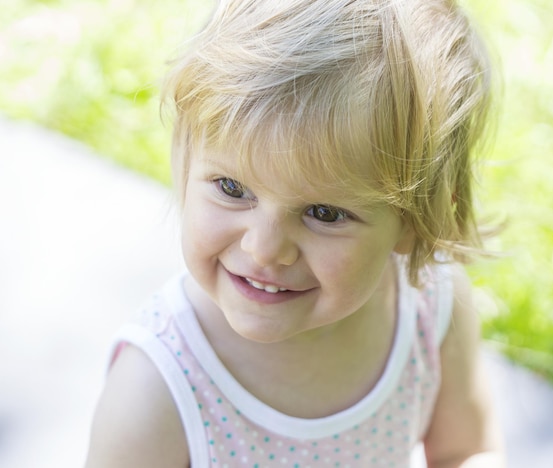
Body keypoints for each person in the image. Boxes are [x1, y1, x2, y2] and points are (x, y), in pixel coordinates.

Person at [85, 0, 505, 466]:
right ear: (184, 160)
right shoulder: (157, 388)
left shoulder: (430, 307)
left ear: (416, 221)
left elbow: (467, 449)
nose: (263, 249)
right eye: (231, 187)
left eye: (323, 213)